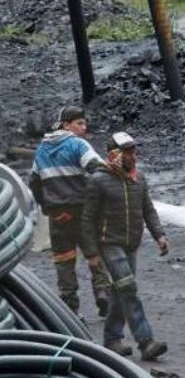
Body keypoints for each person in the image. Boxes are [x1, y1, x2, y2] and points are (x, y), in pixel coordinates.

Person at [80, 132, 169, 361]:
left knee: (121, 291)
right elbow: (87, 219)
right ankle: (146, 341)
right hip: (109, 244)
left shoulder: (138, 179)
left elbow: (148, 210)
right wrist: (91, 253)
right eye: (128, 152)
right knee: (128, 288)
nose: (133, 156)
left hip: (131, 244)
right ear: (114, 154)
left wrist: (159, 235)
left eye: (133, 151)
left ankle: (112, 339)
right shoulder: (98, 180)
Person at [29, 106, 111, 317]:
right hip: (82, 210)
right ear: (66, 125)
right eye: (79, 123)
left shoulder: (42, 150)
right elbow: (98, 168)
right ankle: (103, 292)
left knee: (64, 261)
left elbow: (34, 182)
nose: (84, 128)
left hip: (58, 215)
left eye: (84, 123)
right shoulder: (77, 144)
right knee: (94, 252)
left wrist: (46, 207)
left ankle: (70, 310)